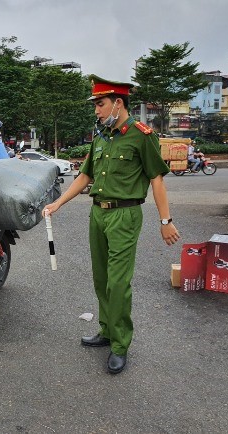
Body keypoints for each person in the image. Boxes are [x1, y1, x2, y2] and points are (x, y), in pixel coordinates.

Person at [43, 75, 180, 375]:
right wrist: (58, 203)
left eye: (100, 104)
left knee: (118, 283)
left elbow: (157, 180)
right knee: (101, 278)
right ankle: (106, 330)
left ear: (118, 103)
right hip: (98, 214)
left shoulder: (142, 136)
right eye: (96, 105)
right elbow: (84, 176)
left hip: (124, 216)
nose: (97, 111)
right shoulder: (102, 137)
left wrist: (165, 220)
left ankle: (120, 345)